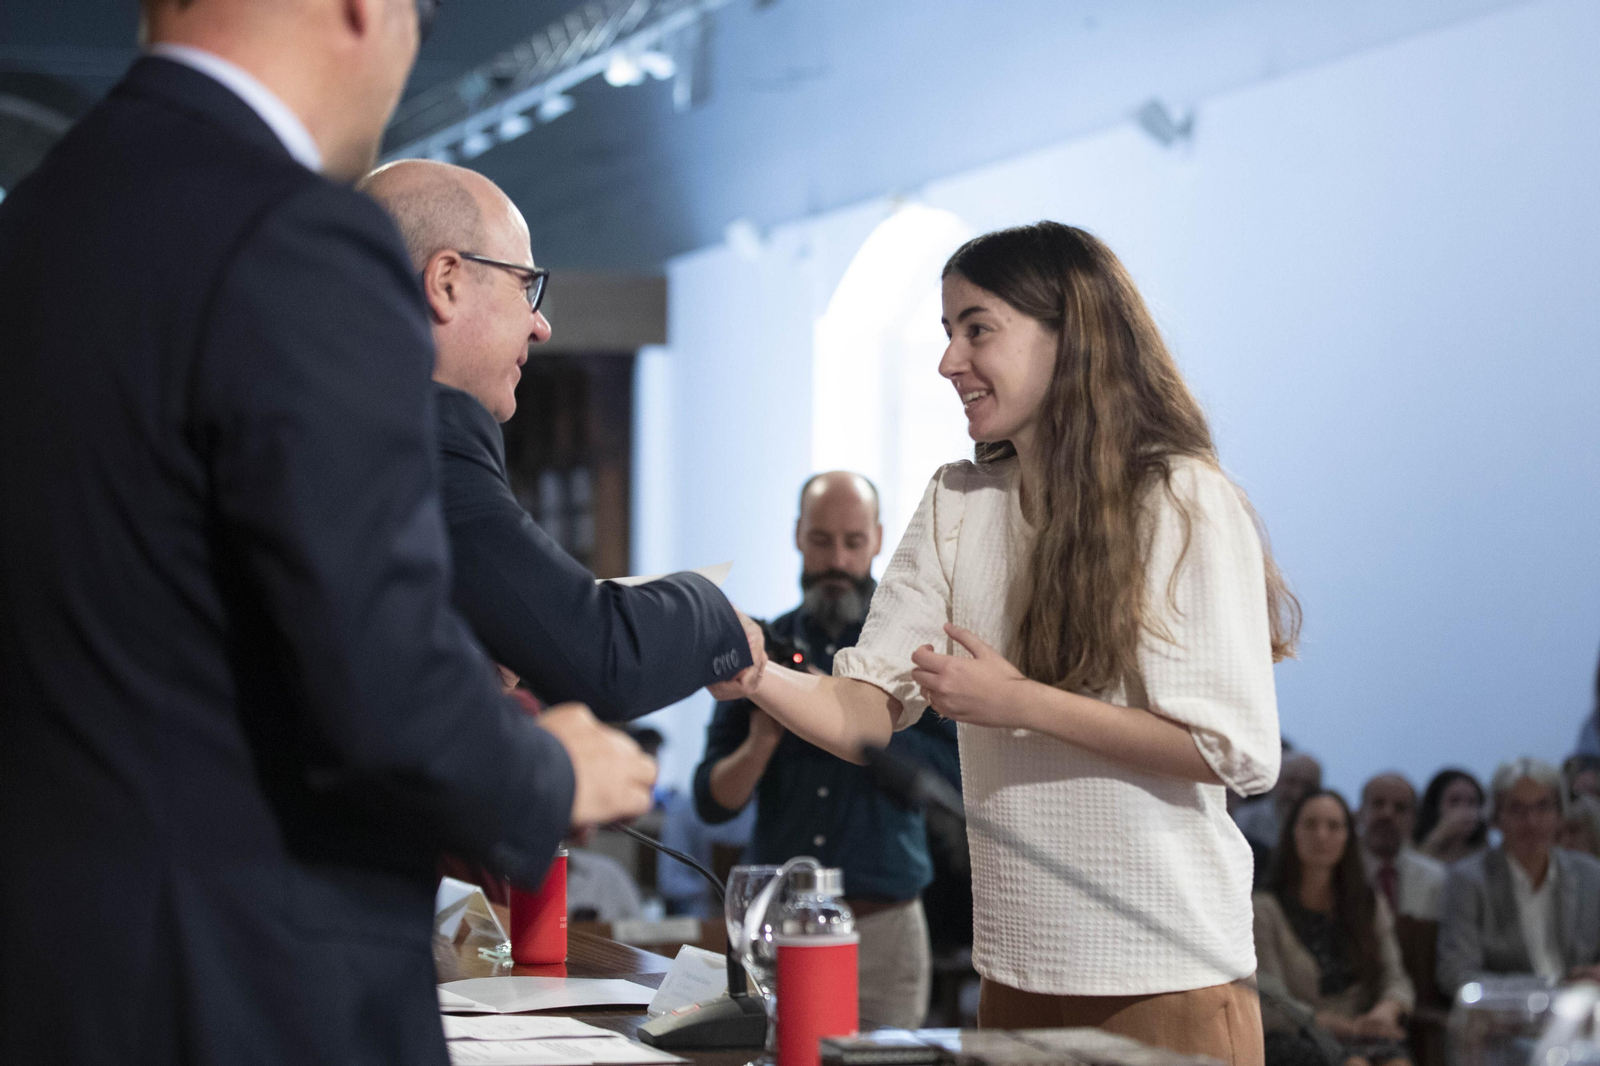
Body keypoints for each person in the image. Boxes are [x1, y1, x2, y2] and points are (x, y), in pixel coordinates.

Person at [0, 1, 657, 1062]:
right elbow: (378, 669)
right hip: (249, 986)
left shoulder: (36, 221)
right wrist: (546, 769)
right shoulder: (293, 234)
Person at [719, 222, 1298, 1065]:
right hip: (1017, 972)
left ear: (1073, 336)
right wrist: (757, 674)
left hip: (1168, 975)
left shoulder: (1182, 497)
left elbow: (1237, 752)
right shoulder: (959, 501)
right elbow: (866, 713)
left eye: (976, 328)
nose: (949, 361)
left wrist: (1020, 703)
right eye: (947, 333)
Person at [357, 159, 764, 720]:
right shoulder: (423, 436)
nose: (540, 324)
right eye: (525, 285)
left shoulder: (326, 418)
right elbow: (607, 658)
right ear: (446, 282)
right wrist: (713, 612)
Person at [693, 471, 960, 1029]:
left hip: (886, 923)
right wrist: (766, 733)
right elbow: (713, 803)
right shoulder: (759, 652)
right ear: (797, 536)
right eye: (821, 540)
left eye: (853, 542)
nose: (837, 559)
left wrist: (851, 715)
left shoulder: (914, 654)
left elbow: (952, 781)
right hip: (778, 926)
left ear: (880, 540)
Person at [1254, 791, 1414, 1066]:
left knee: (1397, 1063)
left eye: (1333, 826)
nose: (1322, 835)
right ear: (1292, 833)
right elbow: (1271, 999)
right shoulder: (1265, 908)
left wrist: (1386, 1011)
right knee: (1354, 1064)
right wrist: (1335, 1025)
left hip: (1364, 1030)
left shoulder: (1368, 902)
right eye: (1310, 824)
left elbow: (1395, 977)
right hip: (1295, 1033)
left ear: (1348, 836)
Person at [1436, 758, 1600, 996]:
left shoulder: (1591, 875)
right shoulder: (1468, 880)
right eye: (1516, 809)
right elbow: (1455, 973)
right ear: (1495, 819)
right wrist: (1547, 990)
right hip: (1504, 1019)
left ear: (1560, 815)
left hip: (1582, 1014)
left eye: (1543, 807)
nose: (1531, 822)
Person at [1357, 773, 1445, 921]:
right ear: (1360, 812)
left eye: (1400, 808)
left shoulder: (1436, 879)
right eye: (1378, 803)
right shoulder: (1339, 869)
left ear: (1414, 820)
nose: (1388, 814)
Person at [1236, 751, 1324, 854]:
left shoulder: (1324, 829)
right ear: (1274, 781)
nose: (1297, 793)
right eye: (1291, 782)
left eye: (1307, 785)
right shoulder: (1245, 819)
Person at [1414, 769, 1488, 865]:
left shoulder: (1486, 855)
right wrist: (1438, 836)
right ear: (1435, 805)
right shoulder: (1412, 845)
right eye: (1455, 801)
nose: (1464, 809)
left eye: (1471, 802)